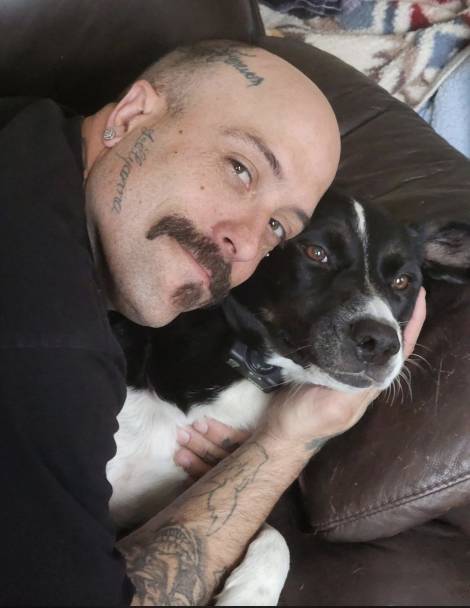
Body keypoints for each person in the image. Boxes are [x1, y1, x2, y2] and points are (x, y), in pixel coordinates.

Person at [0, 40, 426, 605]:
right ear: (130, 115)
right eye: (240, 169)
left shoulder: (28, 136)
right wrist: (285, 446)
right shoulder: (46, 344)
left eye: (278, 227)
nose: (246, 243)